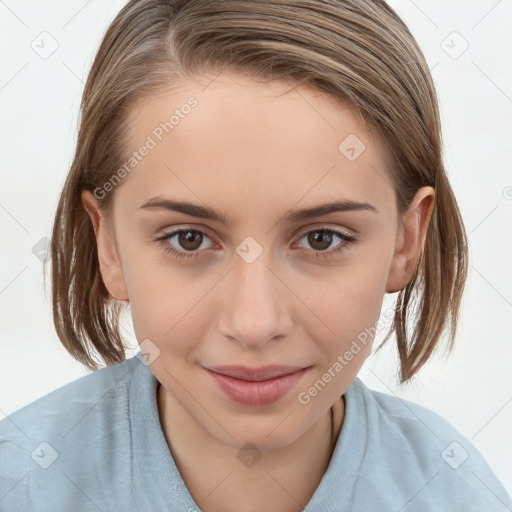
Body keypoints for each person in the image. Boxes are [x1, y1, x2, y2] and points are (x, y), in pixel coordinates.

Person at [1, 1, 510, 510]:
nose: (254, 323)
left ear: (405, 242)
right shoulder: (20, 482)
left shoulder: (458, 494)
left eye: (322, 239)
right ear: (108, 245)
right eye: (188, 239)